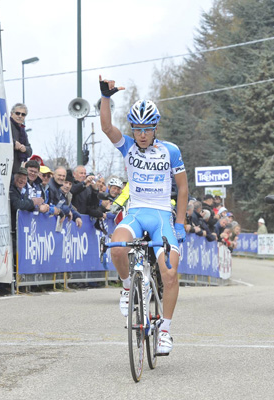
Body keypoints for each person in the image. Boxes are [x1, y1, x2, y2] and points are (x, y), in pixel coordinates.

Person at [99, 75, 188, 355]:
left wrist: (180, 223)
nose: (141, 135)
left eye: (147, 129)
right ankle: (127, 286)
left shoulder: (170, 151)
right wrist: (105, 97)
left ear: (155, 128)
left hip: (162, 214)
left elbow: (183, 189)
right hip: (136, 212)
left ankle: (165, 331)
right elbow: (105, 126)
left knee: (170, 274)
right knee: (117, 246)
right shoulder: (126, 146)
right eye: (137, 129)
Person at [10, 103, 32, 175]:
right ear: (11, 114)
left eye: (23, 114)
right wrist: (13, 144)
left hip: (17, 171)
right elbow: (1, 140)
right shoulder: (6, 125)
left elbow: (30, 151)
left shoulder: (23, 131)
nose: (20, 116)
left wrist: (24, 148)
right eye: (17, 113)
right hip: (6, 168)